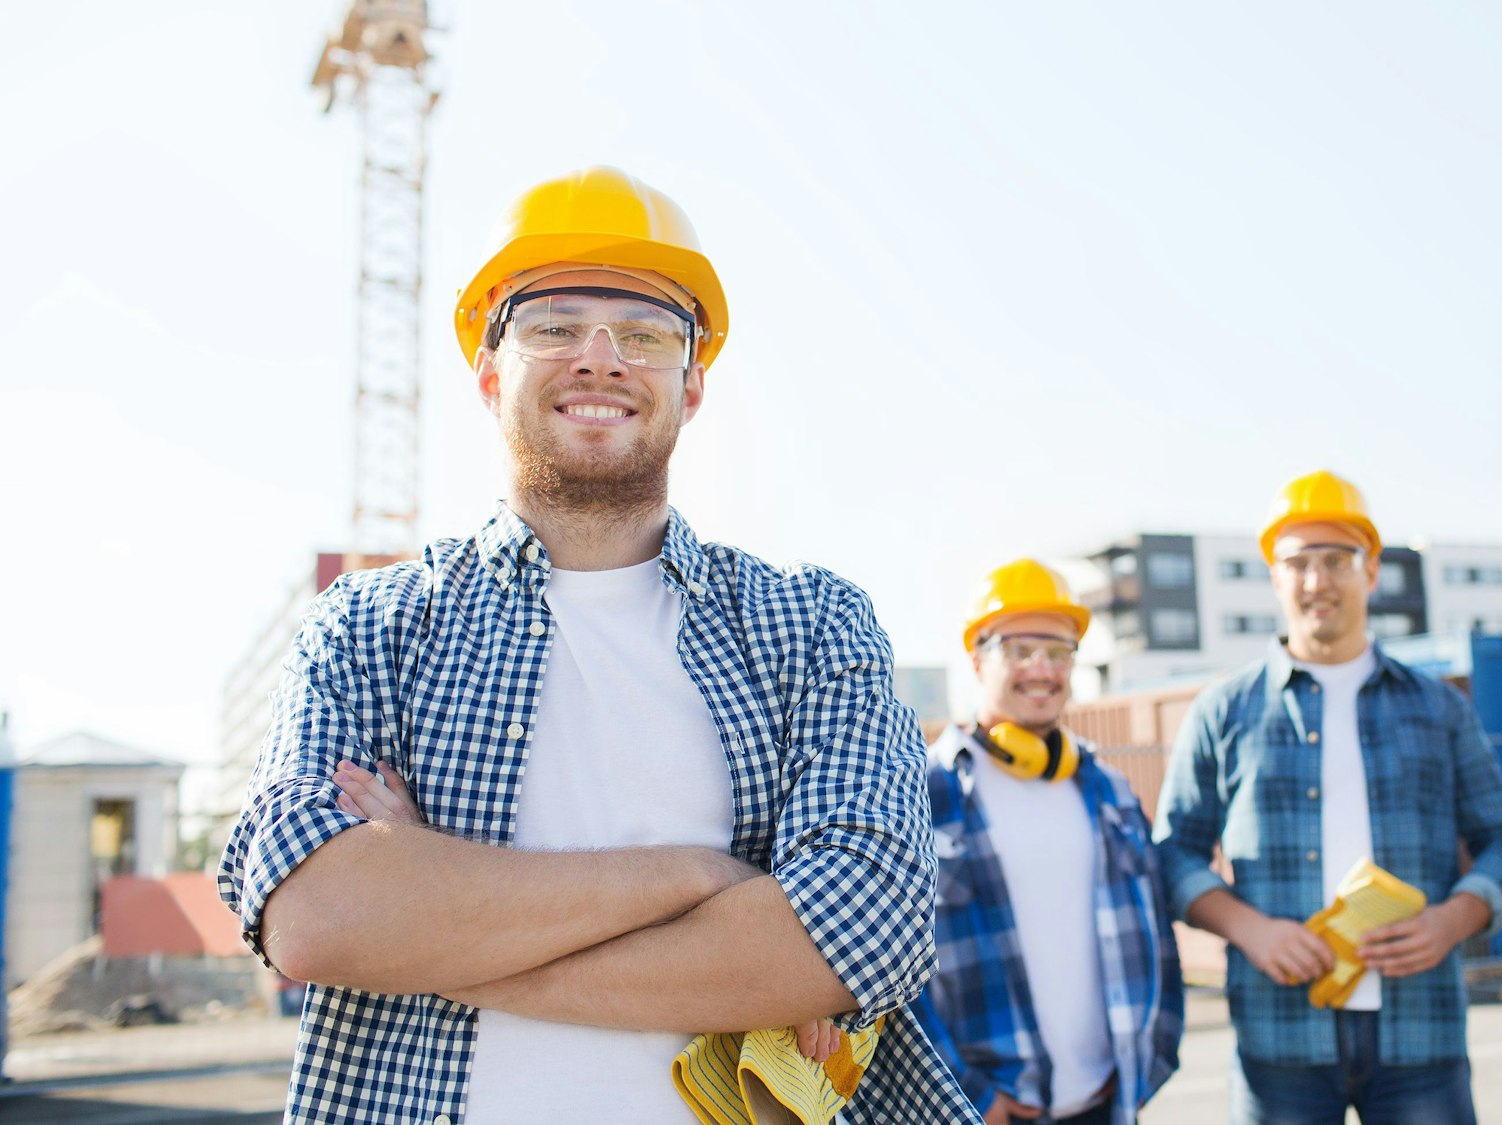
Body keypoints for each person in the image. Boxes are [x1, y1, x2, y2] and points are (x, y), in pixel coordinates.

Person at [217, 165, 976, 1124]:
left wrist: (432, 927)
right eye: (554, 325)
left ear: (692, 385)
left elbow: (861, 934)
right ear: (491, 372)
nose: (601, 358)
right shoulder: (372, 624)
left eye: (648, 334)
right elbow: (317, 917)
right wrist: (701, 875)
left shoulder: (813, 624)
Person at [1152, 469, 1502, 1124]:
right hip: (1280, 1035)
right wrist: (1252, 930)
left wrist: (1452, 920)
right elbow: (1171, 853)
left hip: (1422, 1029)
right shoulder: (1224, 709)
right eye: (1299, 562)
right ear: (1275, 575)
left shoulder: (1439, 707)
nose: (1317, 581)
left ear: (1373, 569)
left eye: (1337, 559)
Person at [918, 559, 1183, 1125]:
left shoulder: (1108, 788)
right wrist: (966, 1094)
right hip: (985, 1113)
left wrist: (1147, 1060)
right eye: (1018, 649)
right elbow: (883, 976)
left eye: (1058, 650)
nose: (1042, 668)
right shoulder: (922, 792)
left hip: (1107, 1104)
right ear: (976, 658)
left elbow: (1154, 934)